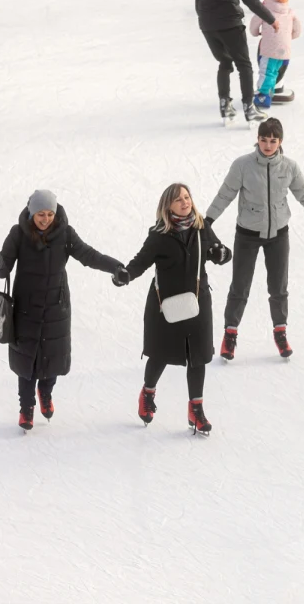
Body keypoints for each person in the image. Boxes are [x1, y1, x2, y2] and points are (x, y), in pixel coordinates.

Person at [204, 117, 304, 359]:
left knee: (279, 288)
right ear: (257, 140)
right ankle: (230, 334)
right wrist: (207, 222)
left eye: (272, 140)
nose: (267, 145)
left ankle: (280, 332)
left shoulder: (289, 167)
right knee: (240, 287)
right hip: (247, 234)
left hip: (278, 235)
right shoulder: (243, 166)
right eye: (263, 139)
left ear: (280, 142)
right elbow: (225, 193)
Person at [0, 191, 125, 430]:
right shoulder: (18, 234)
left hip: (56, 306)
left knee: (52, 356)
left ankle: (45, 392)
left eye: (50, 214)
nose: (45, 219)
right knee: (27, 362)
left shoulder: (65, 234)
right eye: (41, 214)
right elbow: (5, 267)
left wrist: (115, 267)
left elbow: (89, 255)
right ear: (32, 213)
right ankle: (26, 408)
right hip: (26, 309)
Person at [114, 183, 231, 435]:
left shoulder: (201, 228)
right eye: (178, 199)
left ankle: (196, 409)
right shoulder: (159, 235)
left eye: (187, 197)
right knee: (161, 354)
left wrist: (221, 253)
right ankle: (147, 392)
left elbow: (221, 252)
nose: (185, 202)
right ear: (168, 205)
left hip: (198, 303)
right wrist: (125, 275)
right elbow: (140, 262)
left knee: (197, 356)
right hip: (164, 305)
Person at [195, 0, 281, 124]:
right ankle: (249, 109)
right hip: (229, 23)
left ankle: (225, 105)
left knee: (224, 63)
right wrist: (271, 19)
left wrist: (205, 21)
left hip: (208, 26)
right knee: (244, 65)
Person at [249, 0, 302, 111]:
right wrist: (287, 38)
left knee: (267, 72)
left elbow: (253, 28)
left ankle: (263, 96)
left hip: (269, 49)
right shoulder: (289, 11)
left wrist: (257, 33)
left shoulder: (264, 8)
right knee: (277, 69)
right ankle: (277, 86)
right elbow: (298, 30)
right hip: (285, 51)